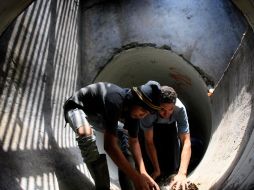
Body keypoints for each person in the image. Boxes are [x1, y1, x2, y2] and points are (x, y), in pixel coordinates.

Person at [63, 81, 161, 190]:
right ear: (135, 100)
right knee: (86, 135)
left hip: (99, 117)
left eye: (147, 113)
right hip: (77, 107)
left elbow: (134, 142)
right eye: (143, 110)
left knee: (126, 134)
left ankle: (128, 187)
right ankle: (103, 187)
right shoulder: (115, 98)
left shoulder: (134, 113)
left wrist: (143, 173)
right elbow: (109, 146)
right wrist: (136, 178)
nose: (143, 115)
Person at [140, 86, 191, 190]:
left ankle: (172, 173)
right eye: (162, 109)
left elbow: (186, 141)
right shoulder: (149, 112)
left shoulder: (180, 109)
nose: (167, 113)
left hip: (170, 126)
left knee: (173, 157)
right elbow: (149, 142)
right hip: (151, 127)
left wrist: (182, 173)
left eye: (171, 109)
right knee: (150, 160)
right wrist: (156, 169)